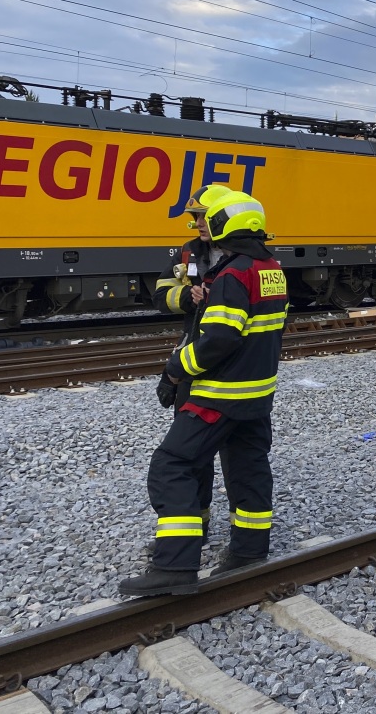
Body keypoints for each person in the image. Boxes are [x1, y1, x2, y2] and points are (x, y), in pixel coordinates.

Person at [120, 190, 288, 597]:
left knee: (172, 463)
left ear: (222, 224)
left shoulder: (232, 275)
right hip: (256, 394)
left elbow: (217, 341)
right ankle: (249, 551)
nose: (201, 225)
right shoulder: (271, 267)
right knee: (247, 467)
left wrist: (175, 371)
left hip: (219, 394)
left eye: (205, 218)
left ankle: (175, 565)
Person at [151, 183, 232, 546]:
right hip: (193, 358)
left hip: (225, 366)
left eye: (202, 216)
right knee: (191, 456)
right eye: (195, 216)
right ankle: (196, 524)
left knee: (233, 457)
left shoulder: (240, 256)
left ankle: (241, 537)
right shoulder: (188, 253)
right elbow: (160, 294)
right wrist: (187, 294)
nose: (198, 223)